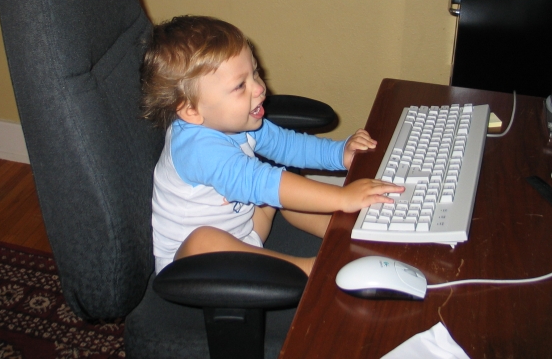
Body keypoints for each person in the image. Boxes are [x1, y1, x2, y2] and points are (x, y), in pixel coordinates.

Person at [141, 16, 403, 275]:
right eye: (240, 85)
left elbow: (287, 145)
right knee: (206, 237)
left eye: (254, 72)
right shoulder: (196, 149)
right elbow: (261, 182)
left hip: (244, 233)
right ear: (191, 110)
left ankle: (344, 232)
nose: (259, 88)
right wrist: (342, 197)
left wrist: (340, 154)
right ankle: (306, 270)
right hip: (194, 268)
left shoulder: (239, 121)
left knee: (284, 186)